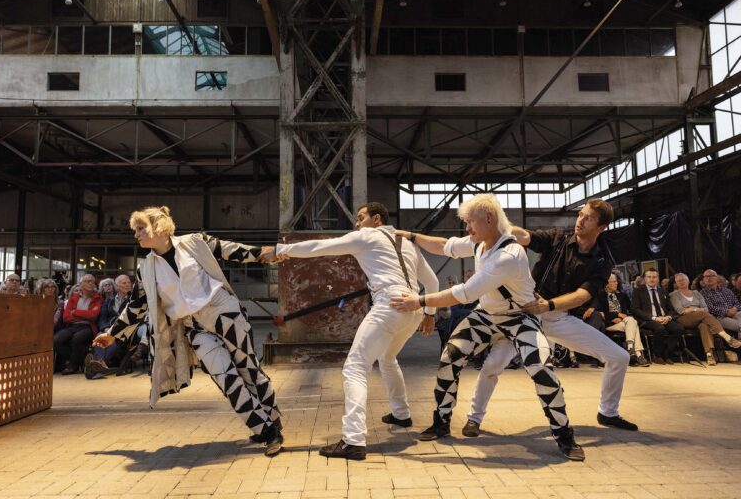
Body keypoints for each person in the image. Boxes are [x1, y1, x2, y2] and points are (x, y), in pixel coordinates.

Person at [390, 193, 584, 461]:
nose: (467, 227)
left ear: (489, 219)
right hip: (487, 315)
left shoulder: (508, 255)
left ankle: (564, 435)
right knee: (450, 357)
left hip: (519, 317)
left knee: (540, 368)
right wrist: (411, 236)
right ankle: (441, 422)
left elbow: (465, 293)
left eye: (471, 221)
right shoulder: (479, 243)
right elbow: (445, 246)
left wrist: (419, 301)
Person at [92, 206, 283, 457]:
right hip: (194, 327)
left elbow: (228, 249)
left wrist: (263, 253)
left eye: (140, 229)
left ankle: (272, 419)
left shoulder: (194, 242)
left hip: (223, 312)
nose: (136, 235)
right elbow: (136, 306)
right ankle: (267, 431)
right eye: (135, 230)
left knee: (249, 369)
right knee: (225, 377)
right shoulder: (145, 269)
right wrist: (112, 333)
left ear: (158, 227)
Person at [264, 202, 439, 461]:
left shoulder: (367, 236)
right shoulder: (408, 243)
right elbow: (433, 282)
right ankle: (401, 414)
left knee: (355, 367)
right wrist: (430, 315)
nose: (357, 224)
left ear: (376, 219)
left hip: (389, 304)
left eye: (360, 218)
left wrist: (281, 250)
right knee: (388, 359)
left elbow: (320, 247)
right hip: (413, 308)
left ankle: (353, 440)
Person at [456, 199, 637, 436]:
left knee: (619, 357)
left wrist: (549, 305)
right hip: (524, 315)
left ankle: (608, 412)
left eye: (589, 218)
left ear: (601, 227)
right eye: (581, 215)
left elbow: (583, 295)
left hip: (558, 316)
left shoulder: (602, 260)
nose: (580, 220)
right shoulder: (558, 239)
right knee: (493, 364)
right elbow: (525, 236)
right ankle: (474, 418)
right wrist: (500, 228)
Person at [670, 272, 741, 365]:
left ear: (688, 281)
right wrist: (696, 309)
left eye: (683, 280)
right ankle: (726, 336)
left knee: (704, 325)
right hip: (683, 319)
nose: (681, 282)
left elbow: (706, 308)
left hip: (701, 317)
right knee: (702, 314)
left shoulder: (696, 293)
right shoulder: (673, 295)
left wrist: (691, 309)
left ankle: (709, 354)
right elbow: (680, 310)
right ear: (676, 283)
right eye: (679, 281)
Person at [631, 269, 684, 364]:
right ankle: (657, 355)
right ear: (645, 278)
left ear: (658, 278)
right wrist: (654, 318)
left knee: (679, 329)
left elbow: (671, 309)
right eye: (649, 277)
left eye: (654, 277)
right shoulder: (638, 291)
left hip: (663, 318)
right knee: (660, 328)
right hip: (648, 319)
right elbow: (635, 309)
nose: (652, 279)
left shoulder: (663, 291)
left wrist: (668, 317)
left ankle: (666, 353)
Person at [597, 272, 649, 367]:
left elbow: (630, 310)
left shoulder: (622, 295)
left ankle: (631, 349)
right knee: (634, 324)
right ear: (607, 283)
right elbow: (601, 313)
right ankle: (638, 354)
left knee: (631, 321)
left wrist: (623, 317)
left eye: (616, 281)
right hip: (609, 323)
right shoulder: (600, 295)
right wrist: (616, 315)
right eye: (613, 282)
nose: (616, 283)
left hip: (624, 322)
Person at [55, 274, 103, 374]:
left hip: (88, 326)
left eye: (92, 281)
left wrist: (75, 312)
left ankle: (73, 365)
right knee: (56, 340)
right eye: (87, 281)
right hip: (72, 326)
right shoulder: (74, 297)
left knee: (77, 338)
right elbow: (66, 317)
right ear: (81, 284)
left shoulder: (98, 298)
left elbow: (93, 315)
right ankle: (80, 359)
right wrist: (85, 314)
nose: (91, 283)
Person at [701, 269, 741, 336]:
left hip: (735, 313)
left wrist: (734, 309)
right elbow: (709, 308)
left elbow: (737, 303)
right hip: (720, 317)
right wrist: (726, 312)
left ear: (717, 278)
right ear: (703, 279)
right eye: (706, 276)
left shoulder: (727, 291)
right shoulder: (703, 293)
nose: (709, 278)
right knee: (738, 325)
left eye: (711, 276)